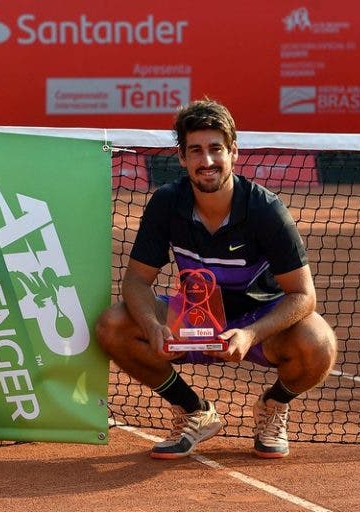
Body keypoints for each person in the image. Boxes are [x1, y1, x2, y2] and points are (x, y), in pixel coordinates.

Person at [96, 99, 337, 459]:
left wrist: (251, 333)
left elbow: (303, 295)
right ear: (182, 158)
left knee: (319, 342)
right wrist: (150, 325)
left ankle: (273, 406)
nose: (206, 161)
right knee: (112, 325)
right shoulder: (166, 203)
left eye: (215, 149)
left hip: (257, 323)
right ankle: (194, 411)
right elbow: (136, 281)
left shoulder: (265, 210)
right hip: (192, 322)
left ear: (233, 152)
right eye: (196, 151)